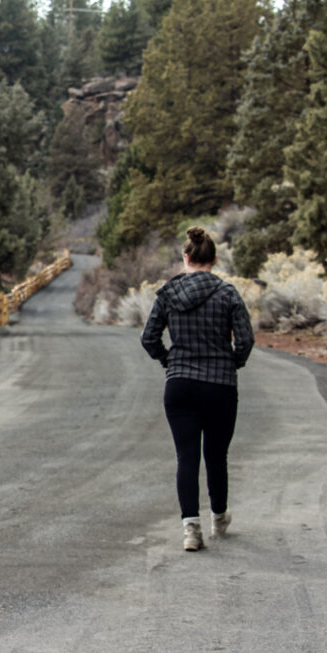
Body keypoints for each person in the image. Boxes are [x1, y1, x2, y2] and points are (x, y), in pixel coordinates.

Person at [141, 226, 255, 551]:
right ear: (214, 259)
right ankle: (219, 517)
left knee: (186, 457)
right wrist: (232, 363)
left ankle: (191, 529)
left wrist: (169, 361)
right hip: (220, 385)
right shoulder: (228, 293)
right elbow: (246, 340)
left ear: (186, 257)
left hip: (180, 386)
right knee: (217, 455)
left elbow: (148, 338)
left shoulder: (167, 294)